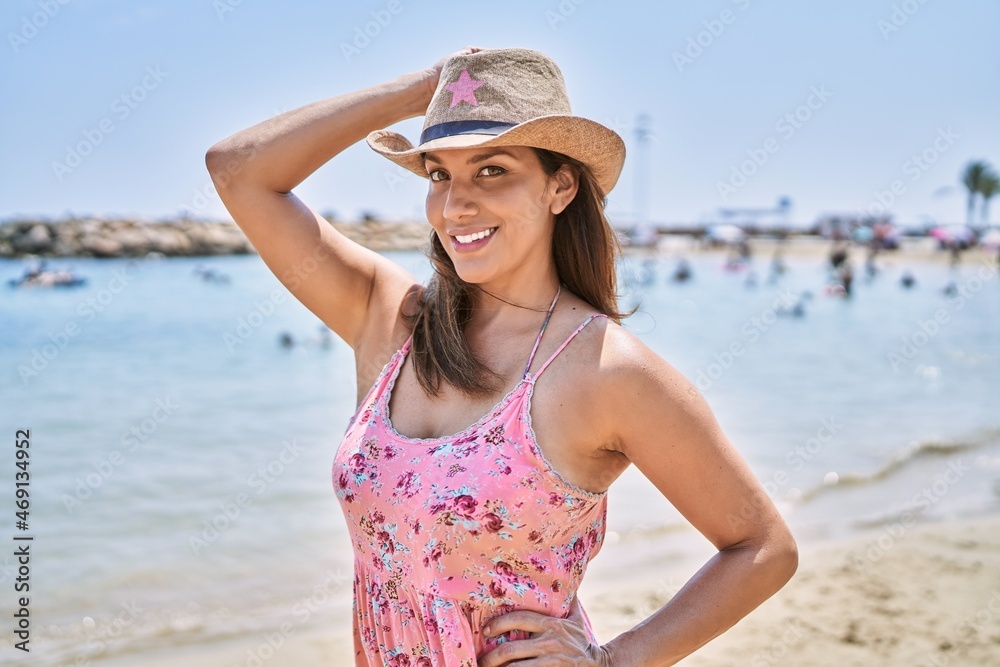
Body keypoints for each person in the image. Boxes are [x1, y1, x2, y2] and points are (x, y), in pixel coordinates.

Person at [206, 46, 797, 667]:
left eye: (491, 170)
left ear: (560, 186)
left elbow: (761, 546)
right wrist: (419, 93)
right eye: (439, 173)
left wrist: (614, 660)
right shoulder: (393, 321)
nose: (456, 205)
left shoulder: (603, 370)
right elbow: (237, 172)